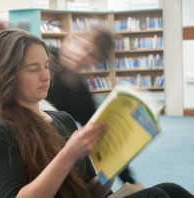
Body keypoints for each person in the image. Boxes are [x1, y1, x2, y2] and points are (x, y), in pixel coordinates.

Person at [0, 29, 194, 198]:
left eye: (46, 66)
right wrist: (69, 154)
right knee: (155, 195)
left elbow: (89, 191)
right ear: (9, 74)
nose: (45, 76)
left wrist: (108, 174)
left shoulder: (63, 119)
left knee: (170, 189)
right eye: (33, 69)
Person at [46, 26, 136, 185]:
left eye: (92, 55)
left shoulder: (81, 92)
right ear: (70, 40)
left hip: (57, 155)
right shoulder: (43, 57)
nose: (81, 55)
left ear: (96, 63)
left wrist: (130, 182)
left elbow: (100, 135)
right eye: (81, 46)